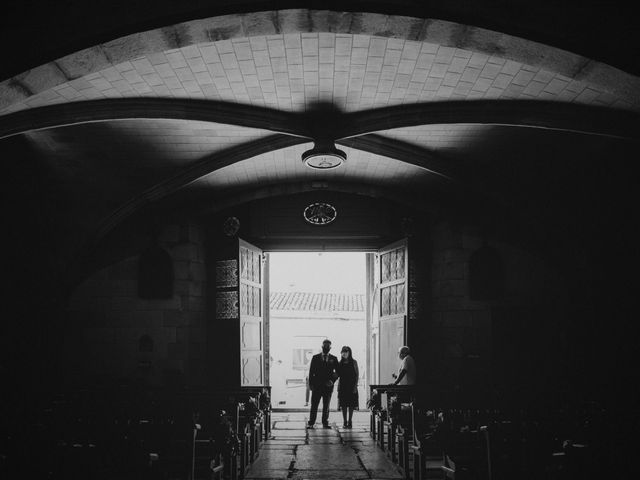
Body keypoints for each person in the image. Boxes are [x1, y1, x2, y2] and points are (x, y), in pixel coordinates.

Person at [307, 339, 339, 429]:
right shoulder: (315, 357)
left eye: (328, 346)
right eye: (325, 346)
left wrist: (332, 381)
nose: (326, 348)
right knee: (314, 405)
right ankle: (311, 422)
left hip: (328, 387)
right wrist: (311, 384)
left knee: (326, 406)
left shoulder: (334, 358)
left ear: (330, 348)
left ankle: (325, 422)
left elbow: (337, 372)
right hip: (317, 386)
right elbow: (311, 372)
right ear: (322, 347)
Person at [337, 346, 359, 429]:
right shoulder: (340, 363)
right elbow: (337, 374)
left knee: (351, 405)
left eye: (346, 351)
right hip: (343, 386)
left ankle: (350, 421)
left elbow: (357, 375)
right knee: (343, 405)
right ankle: (344, 421)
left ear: (349, 352)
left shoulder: (354, 362)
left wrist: (355, 386)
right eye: (343, 352)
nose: (344, 353)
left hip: (351, 386)